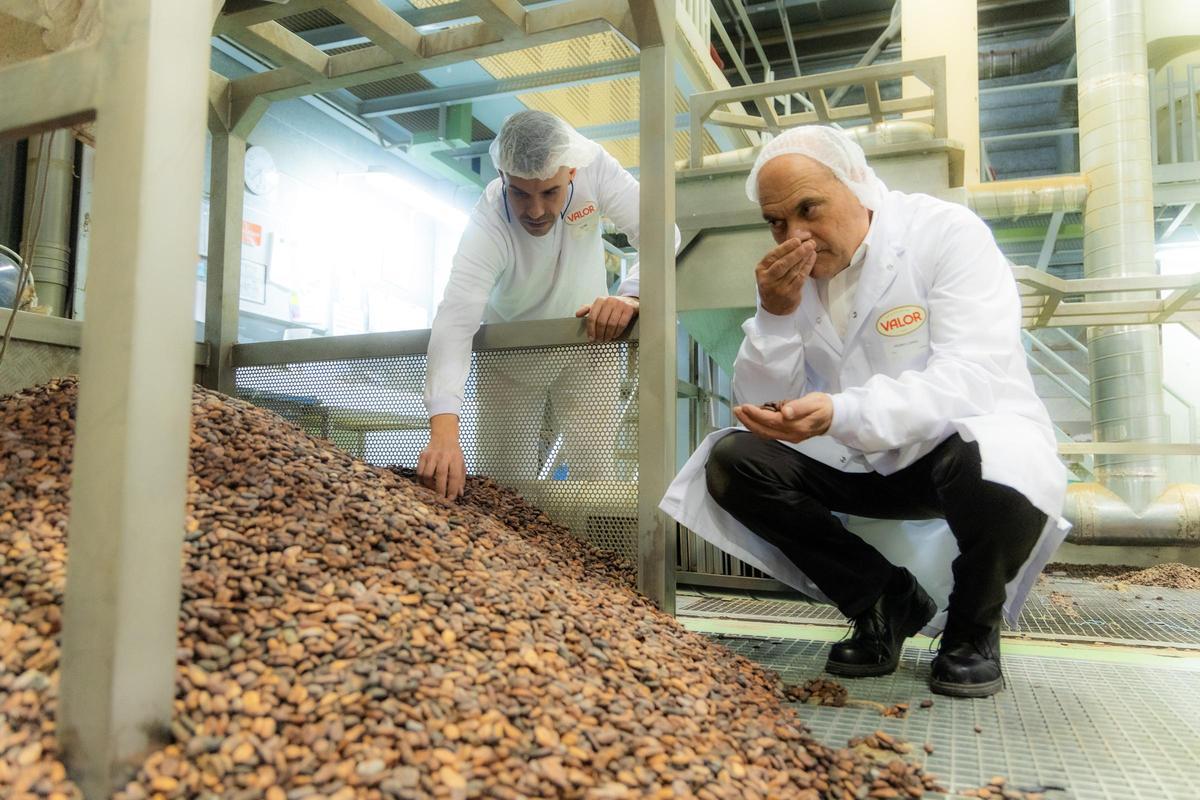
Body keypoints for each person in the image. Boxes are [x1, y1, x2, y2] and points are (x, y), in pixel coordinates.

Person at [660, 125, 1069, 697]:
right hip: (859, 462)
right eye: (777, 222)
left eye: (809, 210)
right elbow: (756, 403)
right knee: (733, 461)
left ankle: (971, 631)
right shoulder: (791, 279)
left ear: (857, 185)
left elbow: (970, 378)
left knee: (1004, 466)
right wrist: (776, 316)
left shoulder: (943, 233)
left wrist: (838, 412)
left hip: (949, 455)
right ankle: (883, 600)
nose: (795, 235)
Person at [419, 110, 677, 500]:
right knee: (503, 489)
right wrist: (442, 431)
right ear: (503, 178)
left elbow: (663, 234)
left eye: (549, 193)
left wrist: (632, 294)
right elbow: (455, 321)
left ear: (571, 173)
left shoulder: (595, 169)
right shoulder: (488, 222)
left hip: (588, 344)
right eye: (520, 193)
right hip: (509, 359)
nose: (535, 211)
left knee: (594, 478)